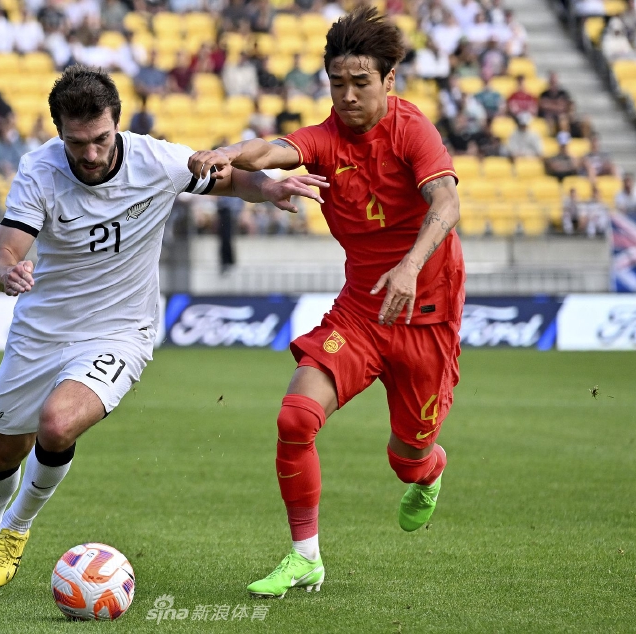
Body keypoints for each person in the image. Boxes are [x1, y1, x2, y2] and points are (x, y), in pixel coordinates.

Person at [0, 65, 327, 594]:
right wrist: (5, 272)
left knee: (56, 425)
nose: (91, 153)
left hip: (121, 331)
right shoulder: (39, 171)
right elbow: (5, 250)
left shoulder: (157, 160)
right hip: (41, 332)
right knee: (3, 451)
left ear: (117, 123)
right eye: (77, 142)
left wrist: (268, 187)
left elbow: (231, 179)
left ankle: (16, 527)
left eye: (101, 139)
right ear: (59, 132)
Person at [188, 6, 464, 599]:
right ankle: (305, 557)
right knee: (296, 416)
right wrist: (225, 152)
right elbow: (271, 150)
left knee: (407, 459)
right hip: (361, 313)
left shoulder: (413, 130)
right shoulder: (324, 139)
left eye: (360, 83)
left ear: (389, 80)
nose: (347, 95)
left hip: (427, 317)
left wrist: (409, 267)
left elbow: (447, 203)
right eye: (337, 83)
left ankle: (429, 469)